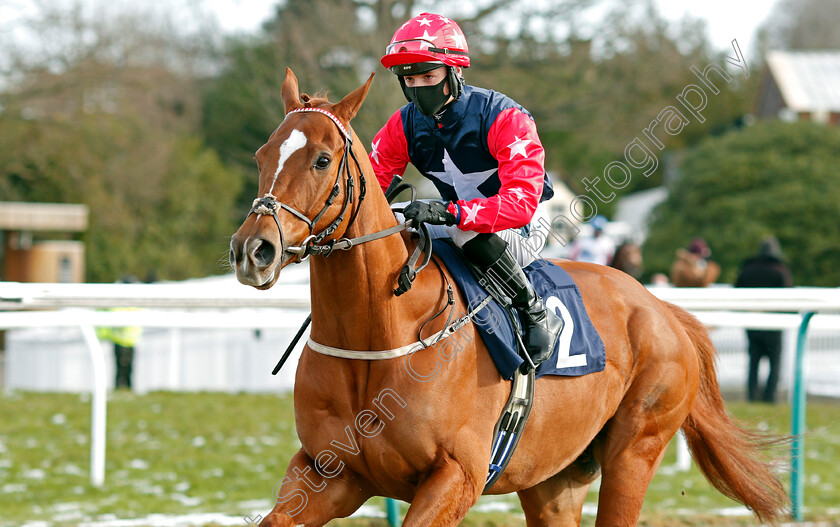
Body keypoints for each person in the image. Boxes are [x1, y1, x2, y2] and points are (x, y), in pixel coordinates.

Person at [370, 13, 562, 368]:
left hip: (525, 221)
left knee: (463, 227)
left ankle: (533, 310)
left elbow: (520, 203)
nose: (419, 88)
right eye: (410, 79)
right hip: (462, 217)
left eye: (429, 76)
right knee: (392, 223)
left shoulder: (504, 116)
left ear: (454, 72)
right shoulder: (403, 124)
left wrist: (449, 212)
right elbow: (372, 188)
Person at [735, 236, 793, 403]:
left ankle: (752, 396)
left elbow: (736, 292)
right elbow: (789, 296)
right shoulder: (780, 270)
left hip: (752, 323)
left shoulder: (747, 269)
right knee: (774, 365)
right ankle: (769, 397)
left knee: (753, 362)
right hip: (774, 326)